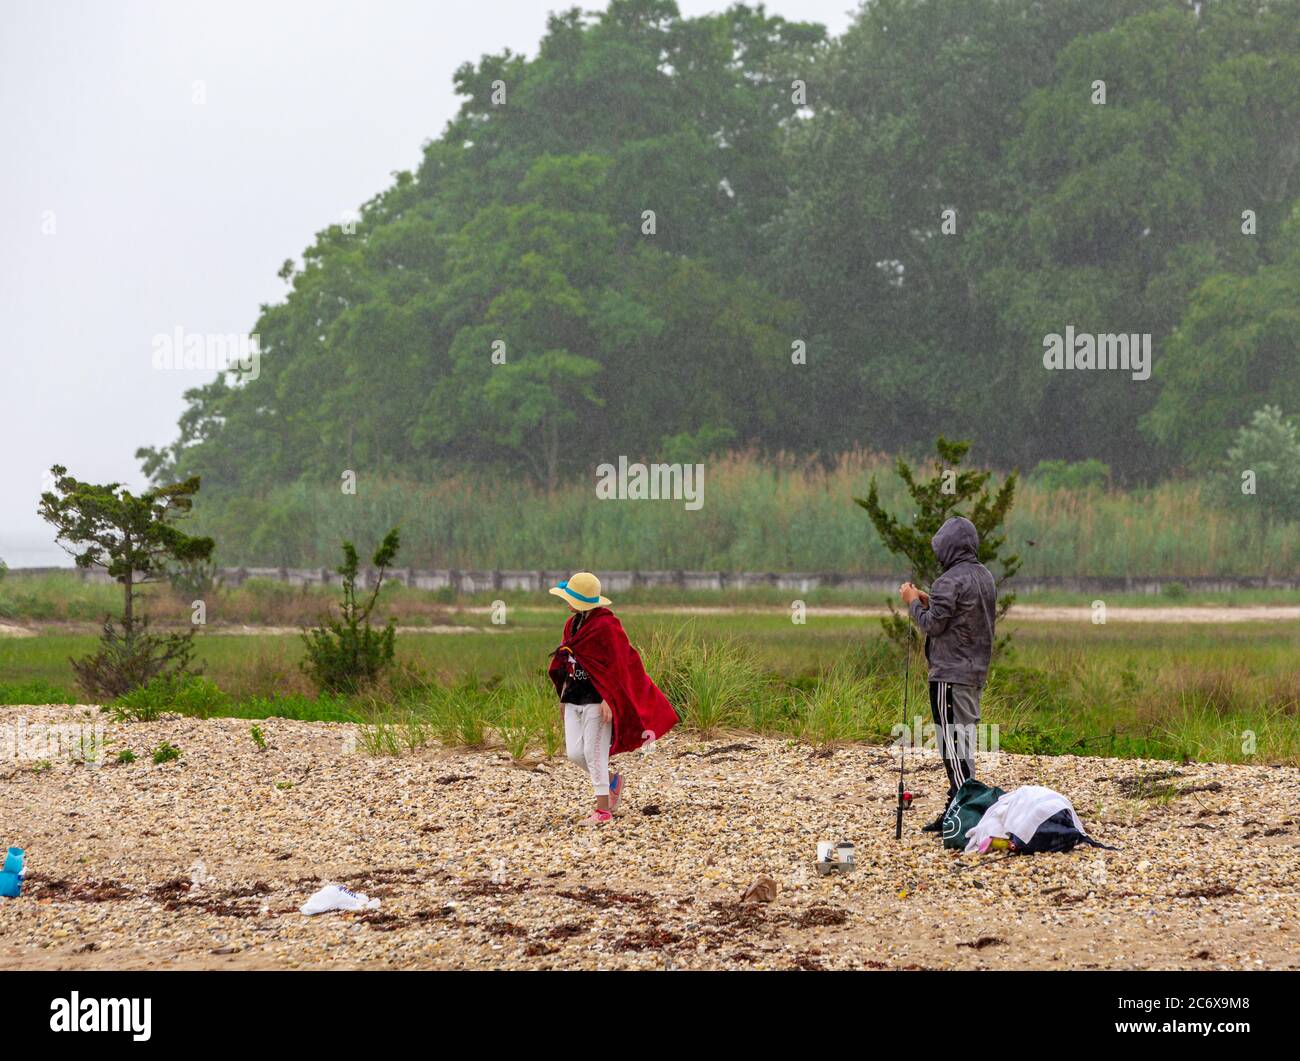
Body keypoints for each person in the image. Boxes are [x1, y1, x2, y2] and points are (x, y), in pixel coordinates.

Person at [547, 571, 679, 825]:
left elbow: (617, 666)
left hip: (597, 699)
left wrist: (610, 699)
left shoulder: (607, 626)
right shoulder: (571, 624)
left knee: (594, 752)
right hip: (574, 695)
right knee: (575, 752)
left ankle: (603, 810)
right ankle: (613, 781)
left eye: (570, 598)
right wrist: (563, 694)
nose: (566, 602)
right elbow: (567, 660)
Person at [898, 516, 997, 834]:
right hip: (974, 672)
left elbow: (932, 625)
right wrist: (931, 600)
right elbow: (956, 612)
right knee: (963, 742)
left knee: (953, 746)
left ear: (949, 549)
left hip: (949, 675)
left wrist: (913, 603)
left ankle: (967, 814)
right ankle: (958, 805)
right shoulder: (984, 576)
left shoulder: (949, 581)